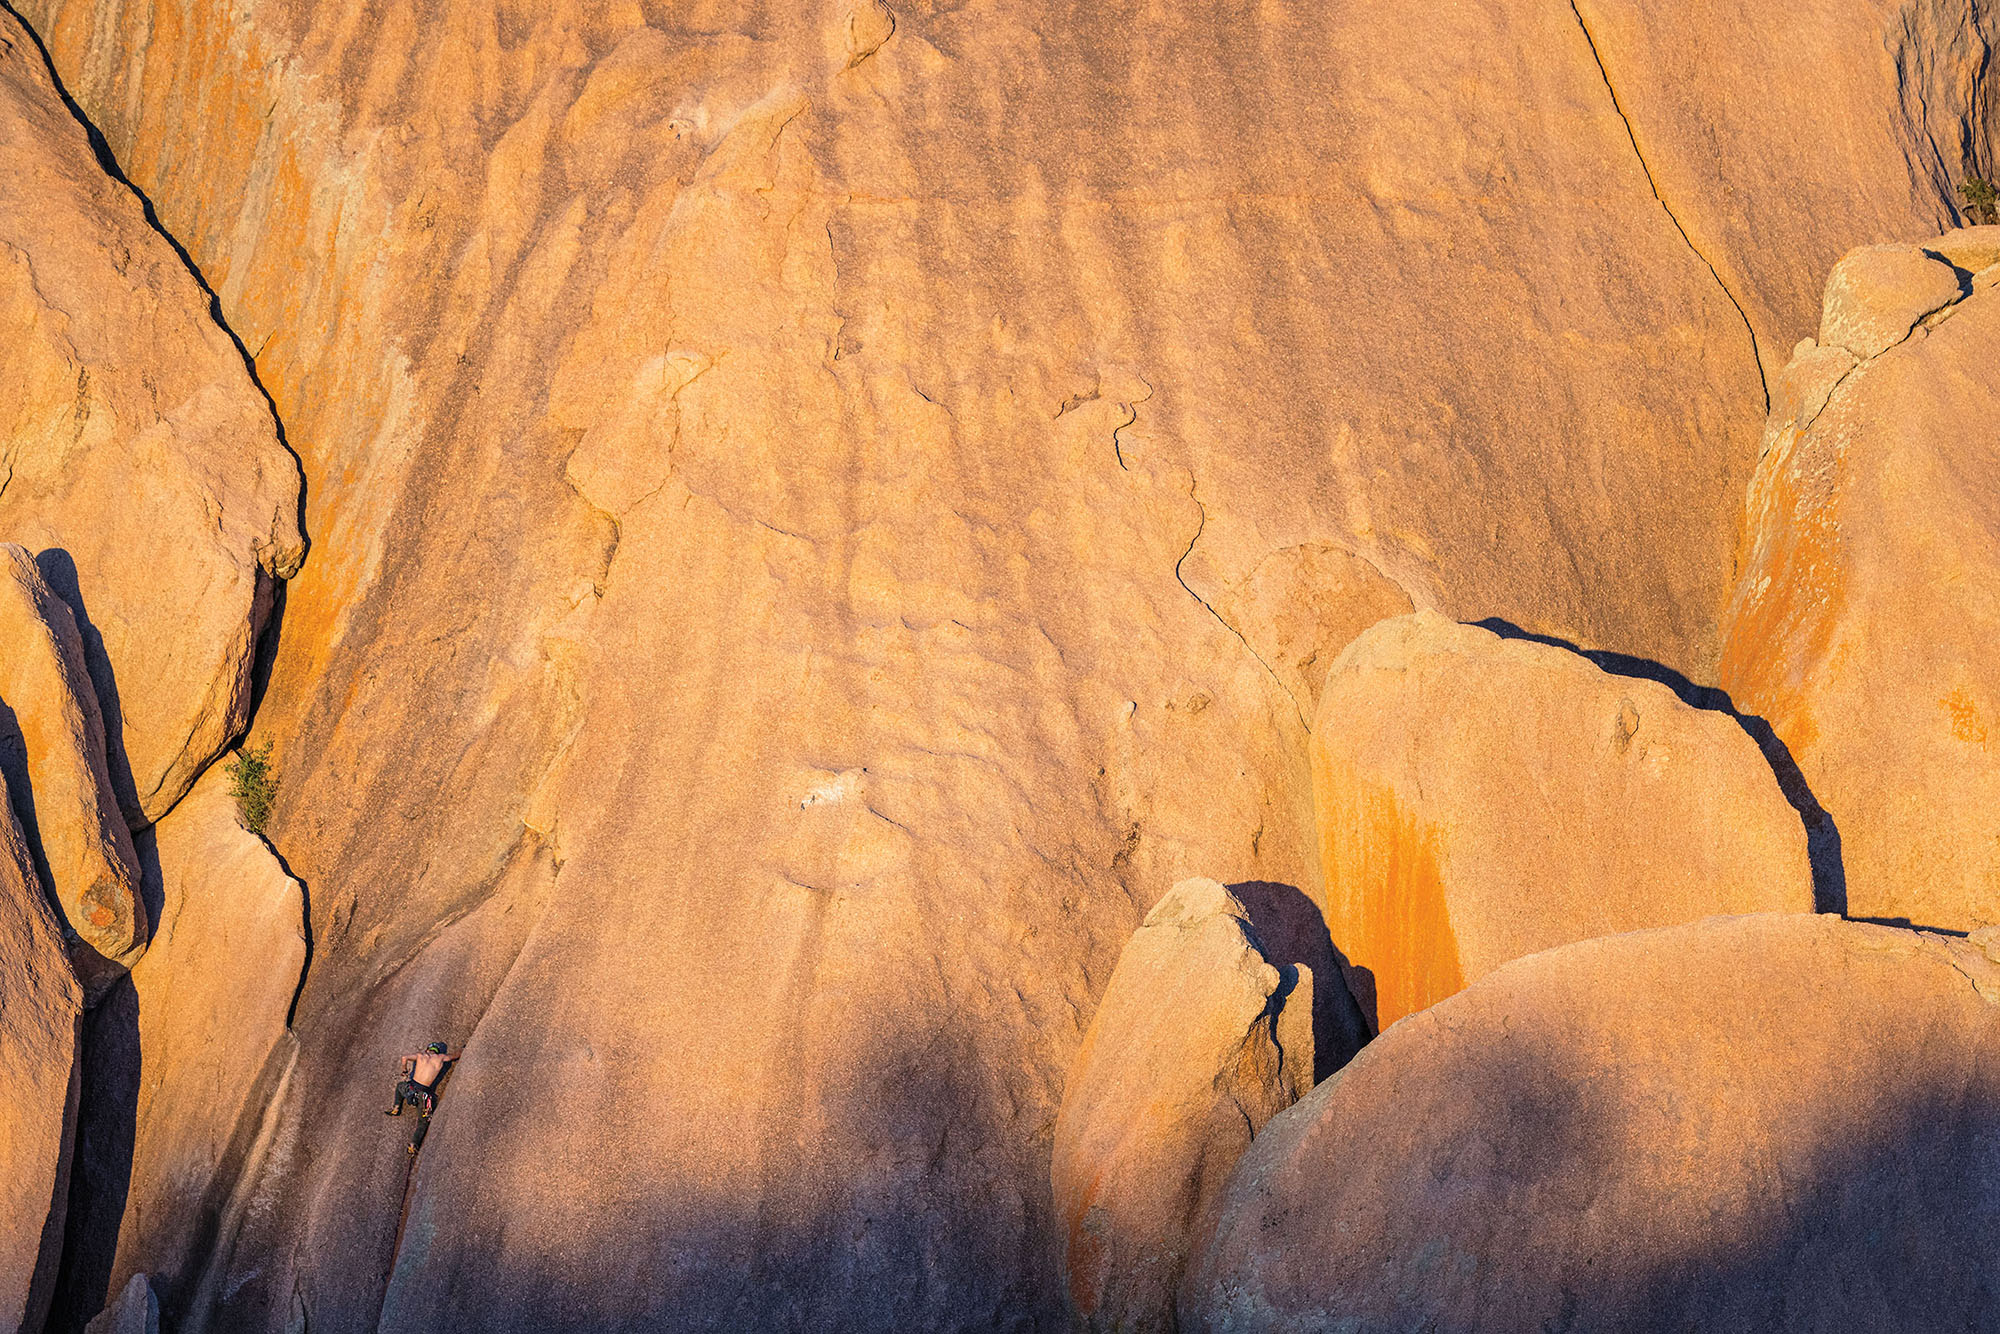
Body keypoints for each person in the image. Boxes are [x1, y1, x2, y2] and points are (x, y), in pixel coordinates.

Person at [385, 1040, 458, 1118]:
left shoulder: (420, 1055)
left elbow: (404, 1058)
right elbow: (455, 1055)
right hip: (424, 1095)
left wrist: (405, 1070)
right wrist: (463, 1049)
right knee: (422, 1125)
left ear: (427, 1050)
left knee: (400, 1085)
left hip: (411, 1090)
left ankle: (396, 1108)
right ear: (437, 1052)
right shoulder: (441, 1057)